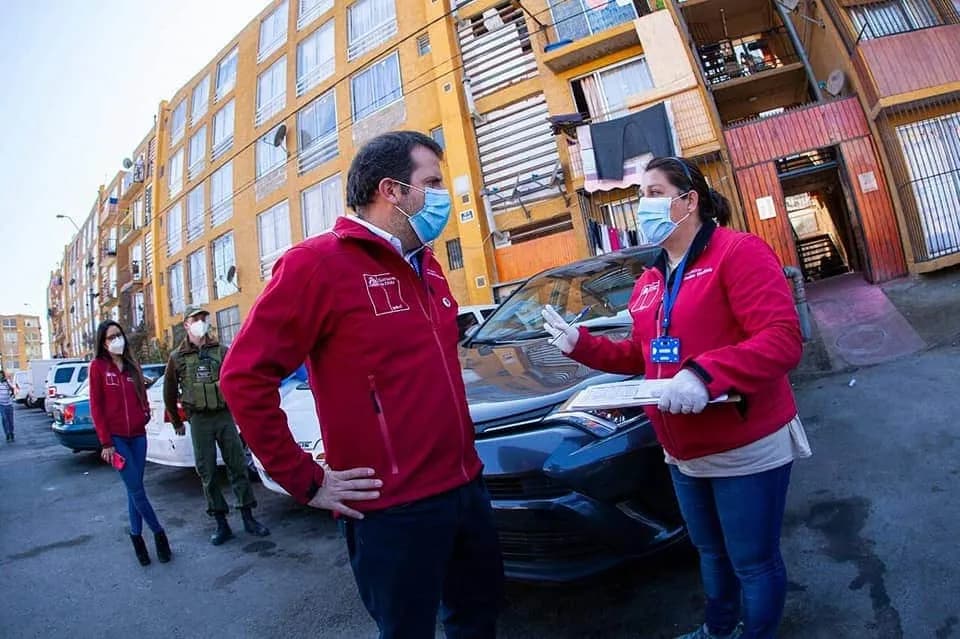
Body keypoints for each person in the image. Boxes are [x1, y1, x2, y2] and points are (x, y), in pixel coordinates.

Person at [220, 130, 504, 639]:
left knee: (478, 622)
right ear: (392, 190)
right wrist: (305, 481)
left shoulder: (428, 265)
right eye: (432, 182)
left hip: (466, 487)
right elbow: (243, 377)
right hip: (393, 511)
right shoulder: (316, 264)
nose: (443, 194)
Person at [542, 157, 811, 639]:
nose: (640, 204)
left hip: (744, 445)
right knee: (709, 552)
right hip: (682, 451)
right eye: (638, 194)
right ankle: (719, 629)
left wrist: (705, 375)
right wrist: (580, 344)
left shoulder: (738, 252)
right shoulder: (650, 279)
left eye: (652, 192)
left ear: (689, 201)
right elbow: (643, 357)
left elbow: (781, 338)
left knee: (752, 560)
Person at [163, 304, 270, 545]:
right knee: (207, 472)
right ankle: (221, 523)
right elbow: (169, 391)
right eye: (196, 318)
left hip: (223, 416)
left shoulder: (221, 351)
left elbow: (235, 382)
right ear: (186, 325)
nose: (201, 321)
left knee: (237, 465)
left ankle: (248, 516)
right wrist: (176, 420)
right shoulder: (177, 357)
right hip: (199, 420)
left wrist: (241, 413)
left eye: (203, 317)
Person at [89, 320, 171, 566]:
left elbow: (142, 397)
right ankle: (158, 533)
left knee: (133, 490)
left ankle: (136, 538)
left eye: (119, 335)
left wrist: (144, 414)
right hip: (116, 440)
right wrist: (105, 443)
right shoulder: (98, 367)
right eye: (111, 337)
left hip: (138, 437)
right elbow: (96, 407)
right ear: (103, 343)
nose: (117, 340)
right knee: (136, 489)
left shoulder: (132, 366)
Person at [1, 370, 15, 443]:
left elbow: (13, 388)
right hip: (1, 405)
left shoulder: (7, 382)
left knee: (10, 420)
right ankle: (7, 434)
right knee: (4, 419)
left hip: (9, 404)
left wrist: (8, 382)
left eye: (2, 375)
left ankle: (11, 432)